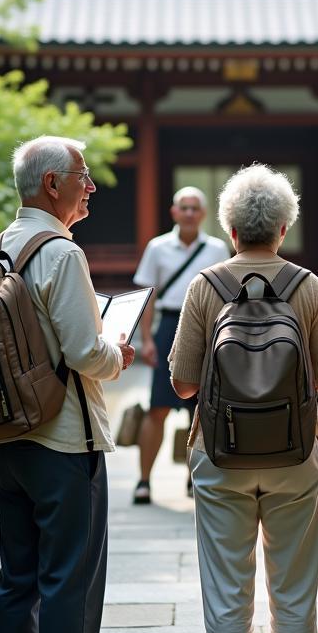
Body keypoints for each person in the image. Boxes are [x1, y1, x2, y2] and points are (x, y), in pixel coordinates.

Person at [169, 164, 318, 633]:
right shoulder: (306, 285)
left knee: (227, 595)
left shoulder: (206, 285)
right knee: (293, 595)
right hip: (296, 457)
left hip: (221, 456)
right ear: (285, 226)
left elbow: (184, 382)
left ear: (229, 227)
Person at [0, 135, 136, 633]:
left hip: (9, 435)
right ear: (52, 184)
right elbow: (85, 352)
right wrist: (117, 351)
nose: (91, 185)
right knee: (69, 574)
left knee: (18, 573)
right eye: (83, 175)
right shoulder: (61, 253)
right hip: (64, 439)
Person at [131, 187, 229, 505]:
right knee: (157, 407)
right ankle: (144, 481)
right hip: (169, 324)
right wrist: (146, 339)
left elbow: (227, 296)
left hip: (205, 328)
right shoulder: (157, 247)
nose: (188, 213)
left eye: (194, 208)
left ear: (202, 214)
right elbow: (148, 297)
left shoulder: (216, 249)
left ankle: (194, 478)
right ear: (174, 212)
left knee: (202, 409)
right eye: (183, 208)